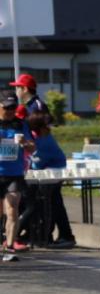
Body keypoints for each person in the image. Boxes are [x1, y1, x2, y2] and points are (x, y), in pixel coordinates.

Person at [21, 112, 74, 248]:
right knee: (52, 205)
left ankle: (45, 236)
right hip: (49, 174)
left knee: (45, 206)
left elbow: (37, 162)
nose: (49, 129)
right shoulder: (41, 138)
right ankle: (46, 236)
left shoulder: (44, 141)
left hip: (51, 175)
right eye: (46, 127)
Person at [0, 94, 35, 258]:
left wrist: (24, 144)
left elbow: (32, 148)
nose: (10, 111)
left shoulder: (21, 125)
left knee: (12, 209)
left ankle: (10, 246)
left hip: (14, 174)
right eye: (6, 107)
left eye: (13, 108)